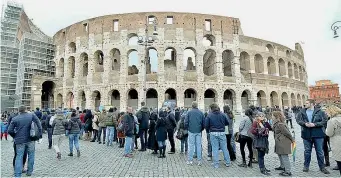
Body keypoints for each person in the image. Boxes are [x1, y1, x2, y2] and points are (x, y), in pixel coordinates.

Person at [296, 100, 330, 174]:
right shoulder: (302, 111)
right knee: (307, 151)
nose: (305, 104)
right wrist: (305, 124)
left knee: (320, 152)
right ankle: (306, 166)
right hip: (306, 134)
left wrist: (315, 124)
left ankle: (322, 167)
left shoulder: (320, 112)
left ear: (312, 104)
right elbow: (298, 120)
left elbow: (324, 121)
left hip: (318, 134)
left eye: (307, 103)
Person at [8, 106, 42, 177]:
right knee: (31, 155)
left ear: (19, 111)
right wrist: (39, 135)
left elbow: (10, 130)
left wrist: (15, 136)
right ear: (26, 110)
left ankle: (17, 174)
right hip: (31, 139)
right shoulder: (32, 115)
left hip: (19, 140)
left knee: (19, 156)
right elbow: (39, 124)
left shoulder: (15, 118)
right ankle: (29, 172)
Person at [205, 103, 231, 168]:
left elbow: (206, 125)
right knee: (224, 148)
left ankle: (216, 164)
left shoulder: (209, 115)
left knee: (215, 148)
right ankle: (228, 162)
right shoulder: (223, 114)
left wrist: (208, 131)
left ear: (211, 108)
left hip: (213, 133)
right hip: (222, 132)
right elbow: (227, 123)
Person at [272, 111, 294, 176]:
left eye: (273, 115)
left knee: (284, 156)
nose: (272, 117)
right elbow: (273, 129)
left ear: (276, 116)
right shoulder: (276, 123)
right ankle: (282, 166)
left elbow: (287, 133)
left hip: (283, 142)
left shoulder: (280, 124)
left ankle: (288, 171)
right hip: (279, 141)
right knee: (280, 154)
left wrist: (292, 139)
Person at [184, 101, 205, 165]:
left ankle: (190, 160)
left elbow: (186, 122)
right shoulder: (201, 113)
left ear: (192, 106)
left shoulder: (189, 112)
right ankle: (199, 161)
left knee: (191, 146)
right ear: (197, 105)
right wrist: (201, 129)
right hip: (198, 131)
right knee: (198, 146)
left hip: (191, 131)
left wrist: (187, 128)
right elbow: (203, 122)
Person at [325, 105, 341, 175]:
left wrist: (326, 130)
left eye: (327, 112)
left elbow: (329, 133)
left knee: (340, 161)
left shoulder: (331, 121)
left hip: (338, 142)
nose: (326, 114)